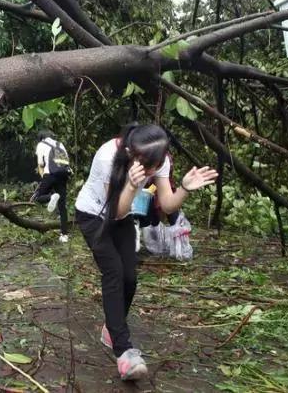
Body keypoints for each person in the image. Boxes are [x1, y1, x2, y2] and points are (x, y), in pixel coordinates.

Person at [74, 124, 218, 381]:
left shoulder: (158, 159)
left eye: (157, 165)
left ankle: (112, 328)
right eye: (147, 165)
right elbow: (114, 211)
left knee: (130, 276)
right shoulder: (108, 156)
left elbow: (168, 203)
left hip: (124, 216)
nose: (152, 170)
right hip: (93, 215)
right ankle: (124, 352)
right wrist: (131, 185)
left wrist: (184, 188)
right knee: (114, 272)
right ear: (131, 152)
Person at [31, 130, 72, 242]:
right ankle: (64, 235)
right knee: (62, 206)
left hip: (50, 174)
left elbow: (41, 164)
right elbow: (66, 161)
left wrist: (43, 177)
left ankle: (51, 197)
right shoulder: (60, 144)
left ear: (41, 138)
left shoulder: (41, 145)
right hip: (63, 175)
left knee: (37, 198)